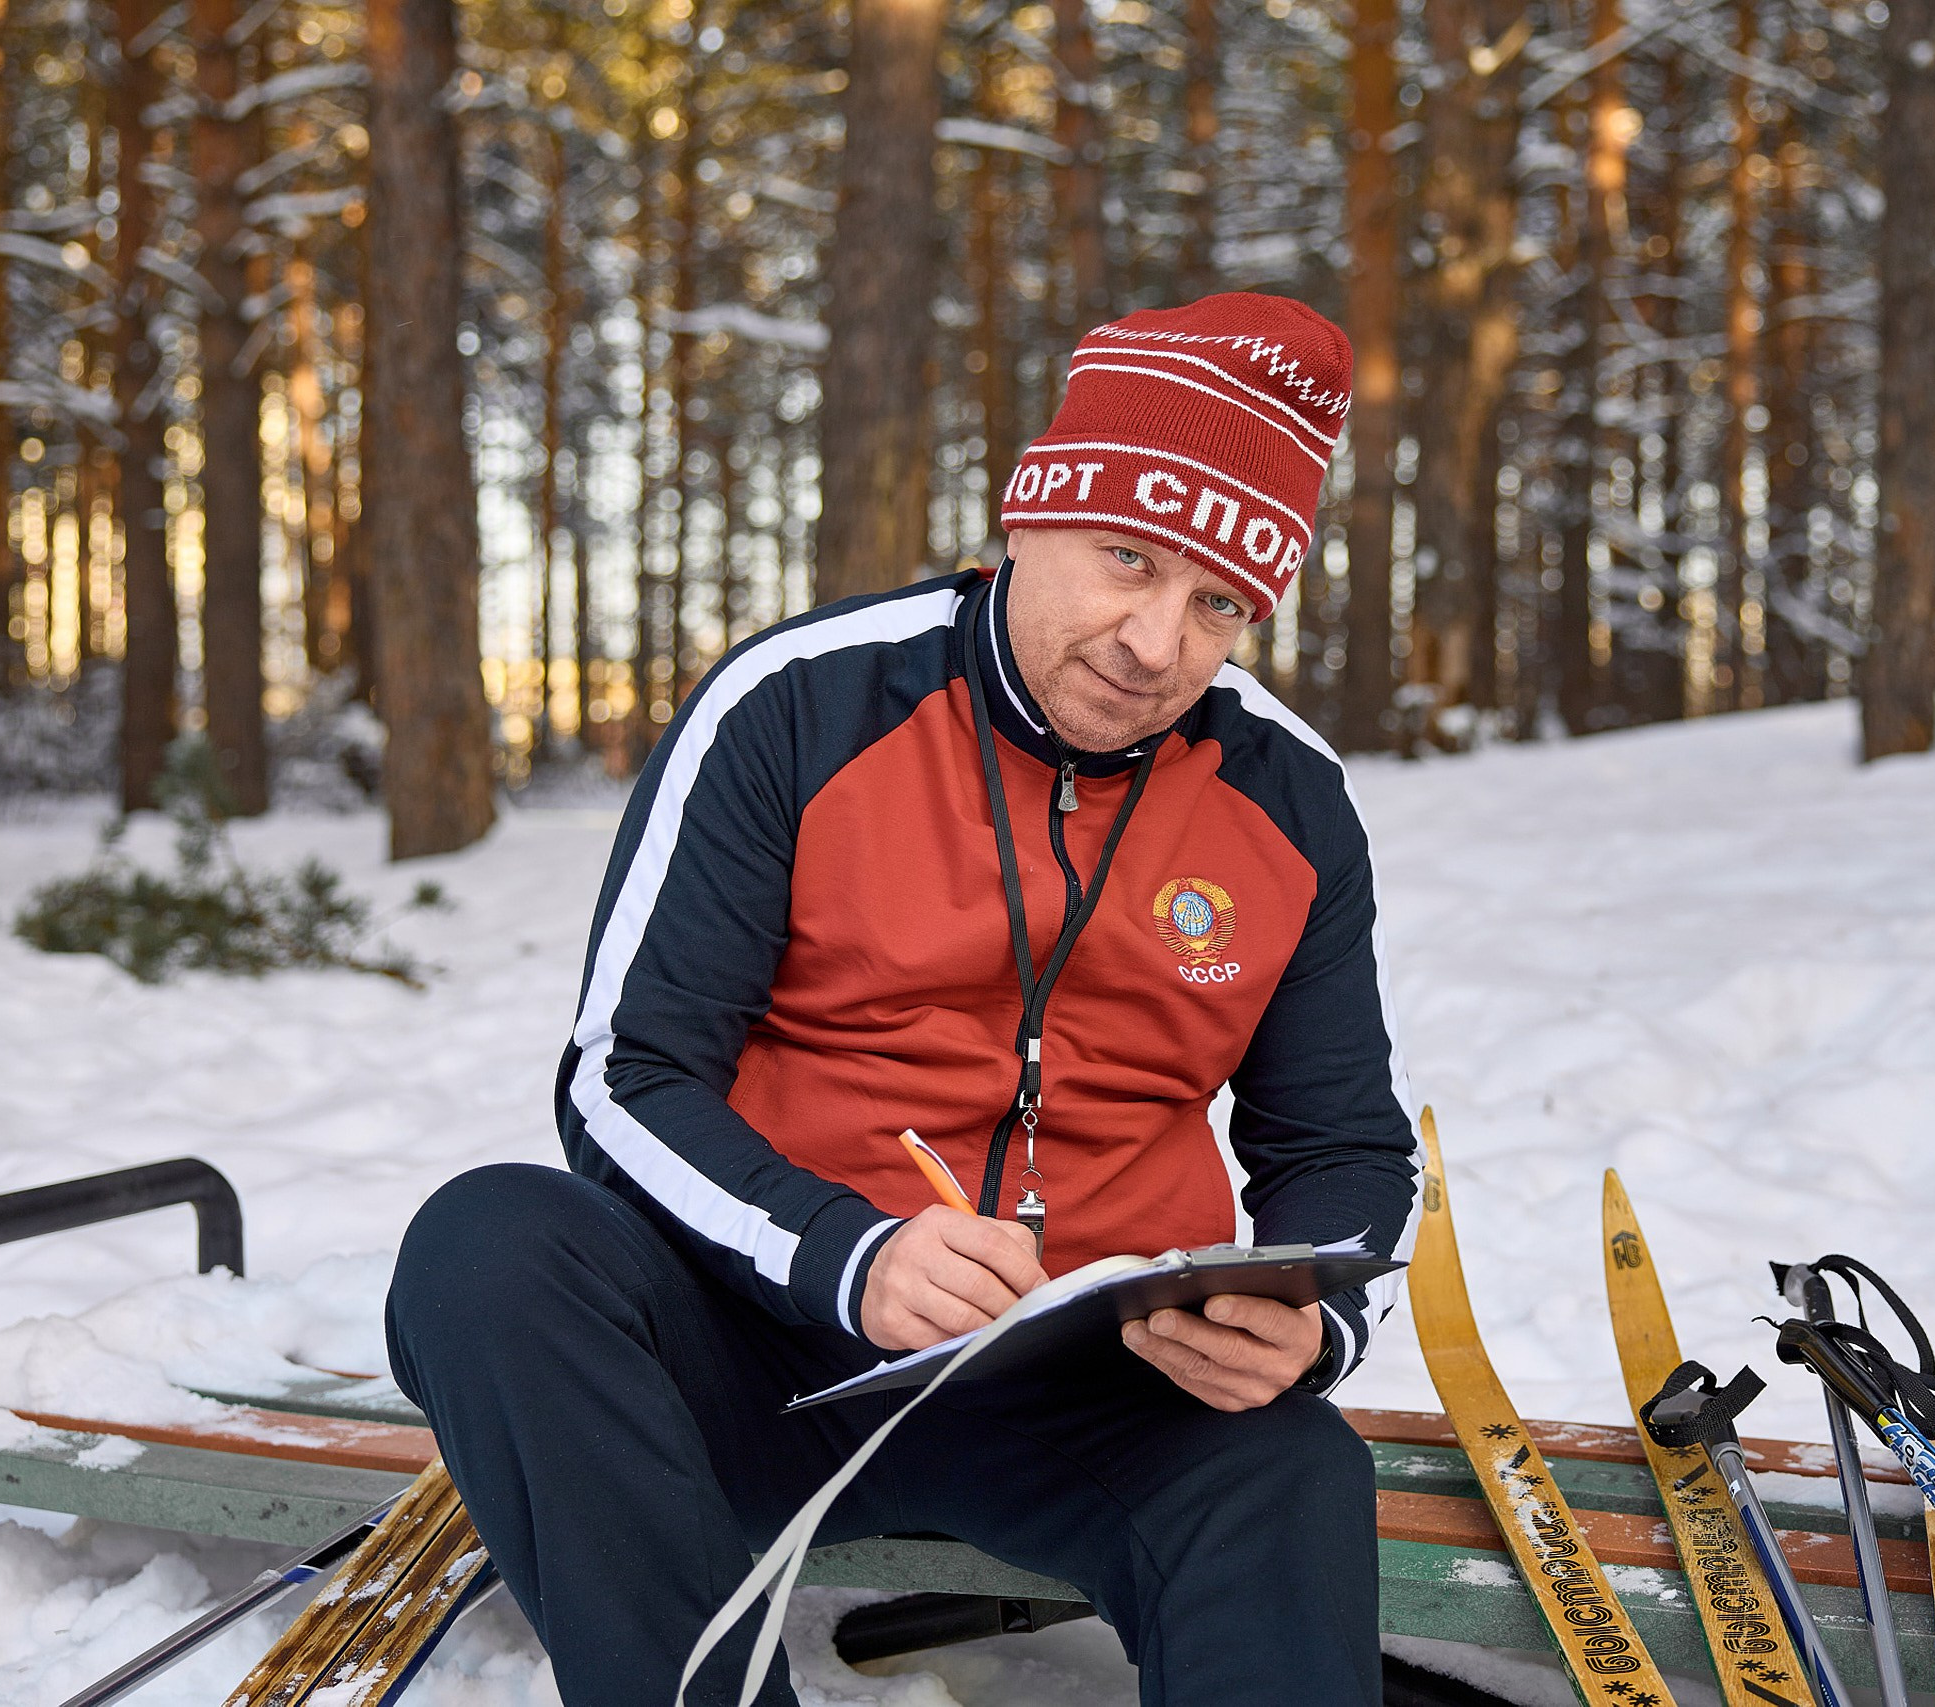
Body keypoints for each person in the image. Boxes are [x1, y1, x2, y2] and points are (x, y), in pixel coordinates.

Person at [385, 292, 1420, 1707]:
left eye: (1219, 604)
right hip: (766, 1343)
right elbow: (623, 1076)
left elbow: (1342, 1146)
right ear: (1028, 515)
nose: (1157, 643)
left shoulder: (1288, 800)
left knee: (1295, 1466)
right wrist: (846, 1255)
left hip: (1100, 1378)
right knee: (488, 1249)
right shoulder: (801, 704)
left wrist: (1316, 1324)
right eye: (1130, 560)